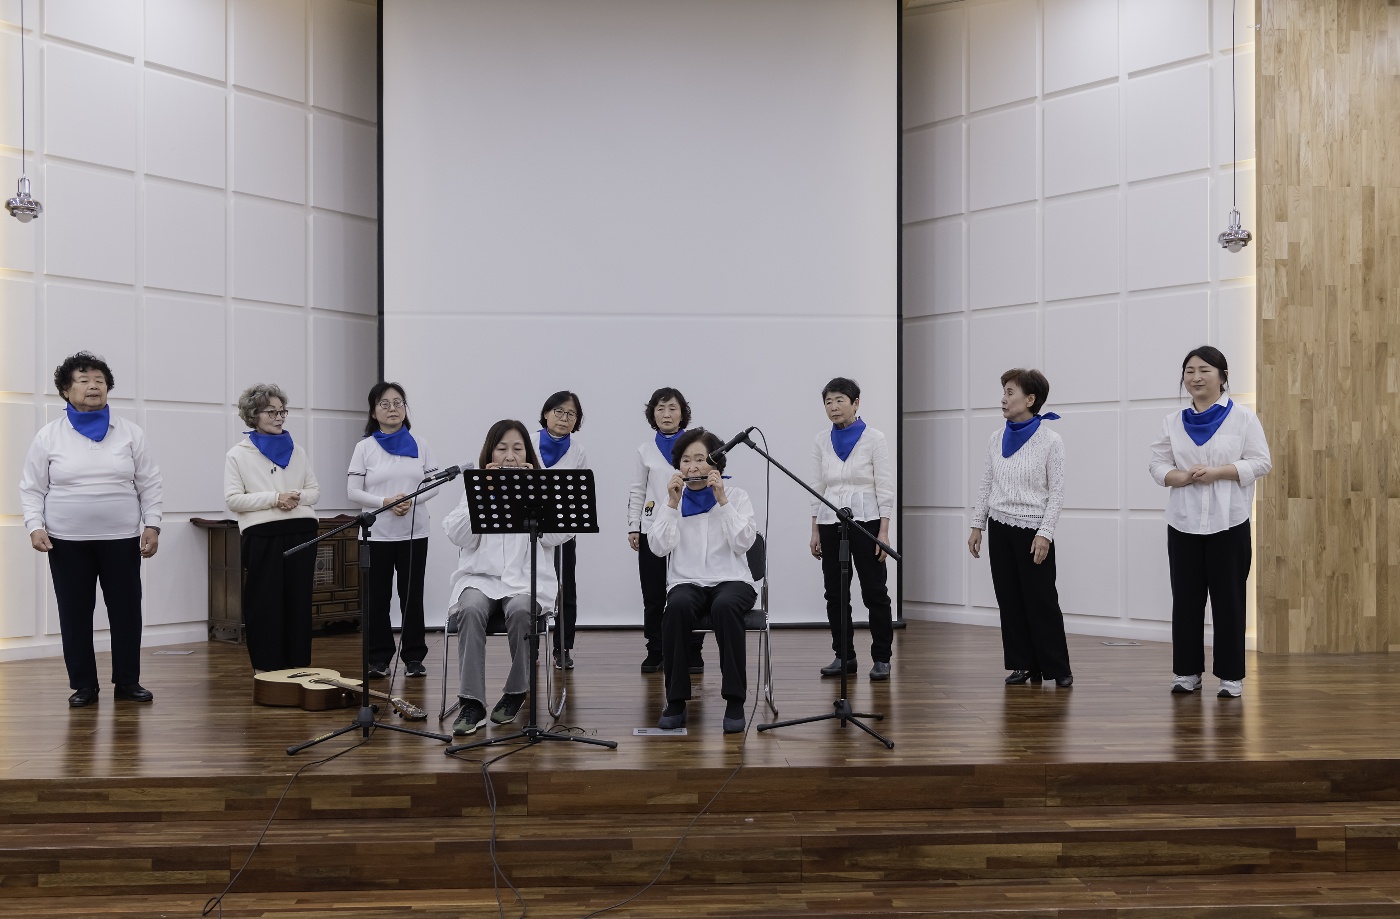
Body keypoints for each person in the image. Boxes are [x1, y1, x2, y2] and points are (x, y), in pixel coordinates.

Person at [19, 352, 162, 707]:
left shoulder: (130, 432)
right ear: (65, 391)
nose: (93, 386)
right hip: (67, 541)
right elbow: (32, 487)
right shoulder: (49, 435)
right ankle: (84, 685)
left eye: (99, 380)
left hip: (122, 539)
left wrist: (153, 524)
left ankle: (127, 682)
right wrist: (34, 526)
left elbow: (150, 482)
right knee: (75, 614)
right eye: (83, 380)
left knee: (126, 613)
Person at [1149, 346, 1271, 698]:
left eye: (1204, 370)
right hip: (1183, 523)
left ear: (1222, 376)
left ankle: (1231, 677)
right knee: (1186, 601)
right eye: (1189, 371)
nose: (1196, 377)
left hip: (1229, 522)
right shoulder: (1173, 421)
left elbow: (1261, 462)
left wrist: (1219, 472)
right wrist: (1179, 477)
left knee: (1229, 601)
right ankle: (1186, 672)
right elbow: (1157, 464)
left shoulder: (1243, 418)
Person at [444, 420, 570, 736]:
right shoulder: (476, 488)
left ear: (528, 455)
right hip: (481, 578)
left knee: (521, 610)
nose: (510, 457)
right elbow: (460, 536)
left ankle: (516, 691)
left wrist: (534, 493)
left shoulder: (540, 487)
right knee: (470, 609)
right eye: (502, 449)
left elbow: (559, 535)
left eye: (517, 449)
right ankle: (471, 703)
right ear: (490, 453)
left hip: (525, 581)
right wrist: (483, 494)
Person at [968, 369, 1072, 688]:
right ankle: (1023, 664)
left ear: (1030, 399)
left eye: (1010, 392)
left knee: (1041, 599)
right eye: (1003, 391)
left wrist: (1045, 533)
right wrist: (977, 525)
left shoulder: (1051, 440)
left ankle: (1057, 667)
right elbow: (986, 483)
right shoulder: (995, 438)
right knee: (1009, 599)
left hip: (1032, 530)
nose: (1003, 398)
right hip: (999, 527)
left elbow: (1056, 493)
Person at [650, 428, 757, 734]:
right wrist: (671, 506)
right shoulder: (672, 500)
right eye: (686, 460)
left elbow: (743, 543)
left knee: (725, 607)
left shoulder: (737, 496)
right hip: (687, 581)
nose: (692, 466)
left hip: (733, 580)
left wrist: (722, 500)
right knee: (676, 608)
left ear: (715, 463)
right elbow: (658, 547)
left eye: (700, 459)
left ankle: (734, 700)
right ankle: (676, 701)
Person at [224, 383, 321, 673]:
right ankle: (266, 668)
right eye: (271, 412)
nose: (279, 417)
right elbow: (233, 500)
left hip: (302, 531)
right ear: (253, 415)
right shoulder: (238, 454)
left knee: (298, 601)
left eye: (282, 411)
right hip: (263, 535)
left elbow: (314, 491)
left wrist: (296, 497)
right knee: (264, 602)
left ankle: (297, 665)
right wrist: (275, 499)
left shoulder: (298, 450)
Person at [347, 382, 438, 679]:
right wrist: (385, 502)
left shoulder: (420, 444)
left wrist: (410, 500)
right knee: (377, 599)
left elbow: (434, 485)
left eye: (398, 403)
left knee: (411, 596)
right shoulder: (364, 447)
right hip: (376, 534)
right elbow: (353, 491)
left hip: (414, 533)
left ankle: (414, 657)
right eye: (384, 404)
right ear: (374, 412)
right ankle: (378, 658)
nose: (392, 409)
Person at [808, 377, 895, 681]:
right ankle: (844, 656)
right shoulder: (821, 440)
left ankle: (882, 657)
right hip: (830, 522)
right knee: (835, 592)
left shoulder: (874, 438)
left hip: (867, 521)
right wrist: (815, 529)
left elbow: (884, 487)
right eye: (828, 402)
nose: (833, 407)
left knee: (874, 591)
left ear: (856, 403)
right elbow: (817, 487)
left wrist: (883, 532)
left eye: (839, 400)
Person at [627, 387, 704, 674]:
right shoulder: (645, 450)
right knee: (654, 593)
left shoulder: (695, 447)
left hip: (689, 528)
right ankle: (656, 649)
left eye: (672, 408)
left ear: (683, 413)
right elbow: (637, 490)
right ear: (653, 414)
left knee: (692, 589)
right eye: (660, 409)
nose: (667, 414)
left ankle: (693, 650)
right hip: (652, 529)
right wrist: (634, 526)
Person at [537, 390, 586, 671]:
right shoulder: (528, 442)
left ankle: (562, 647)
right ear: (546, 413)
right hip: (530, 529)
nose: (564, 418)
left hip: (564, 529)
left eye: (571, 414)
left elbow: (579, 493)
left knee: (565, 587)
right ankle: (531, 645)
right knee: (531, 585)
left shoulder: (578, 451)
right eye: (559, 411)